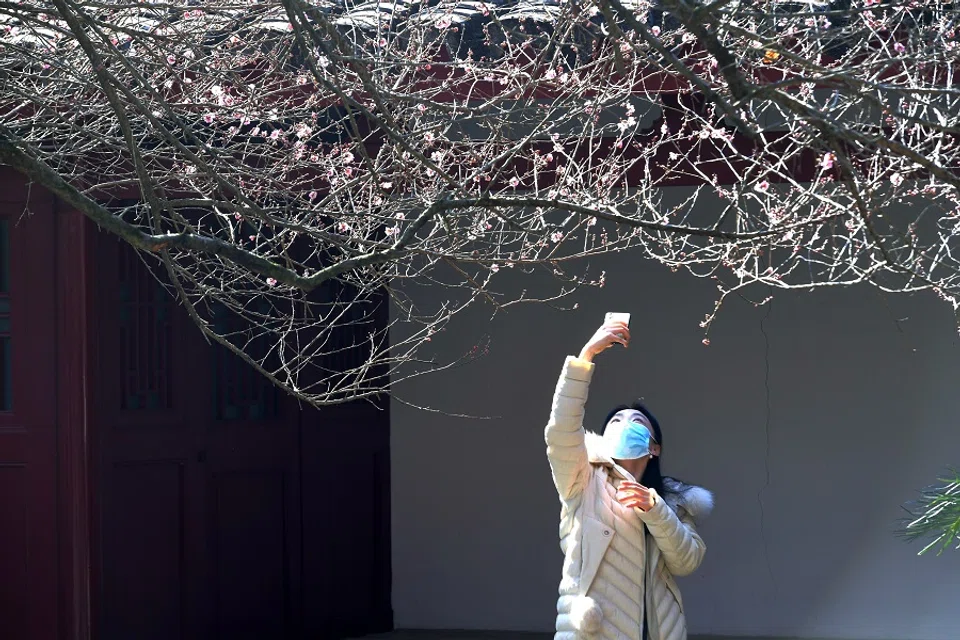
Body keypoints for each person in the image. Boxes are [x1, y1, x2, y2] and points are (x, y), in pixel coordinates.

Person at [545, 318, 713, 640]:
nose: (625, 424)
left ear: (654, 446)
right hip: (592, 632)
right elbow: (561, 433)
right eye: (616, 420)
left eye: (636, 420)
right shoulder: (583, 479)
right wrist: (586, 356)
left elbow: (687, 561)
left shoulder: (672, 500)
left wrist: (655, 509)